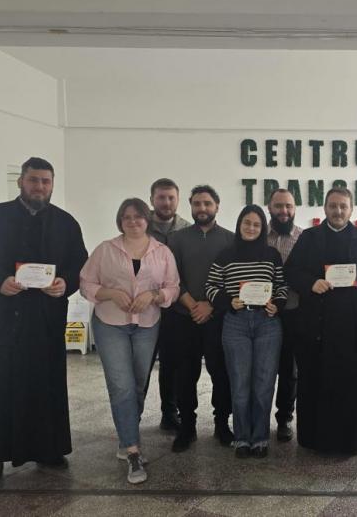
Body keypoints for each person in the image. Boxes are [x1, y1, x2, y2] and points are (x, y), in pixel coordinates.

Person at [0, 157, 88, 485]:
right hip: (3, 320)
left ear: (52, 184)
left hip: (46, 321)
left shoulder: (65, 223)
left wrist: (65, 283)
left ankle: (49, 449)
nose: (39, 187)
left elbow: (80, 263)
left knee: (47, 386)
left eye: (46, 181)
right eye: (33, 180)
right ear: (20, 182)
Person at [79, 198, 180, 484]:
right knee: (121, 385)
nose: (133, 221)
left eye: (138, 216)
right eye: (127, 217)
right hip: (110, 324)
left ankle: (126, 437)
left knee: (137, 384)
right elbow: (86, 283)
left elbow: (173, 287)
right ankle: (133, 451)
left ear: (148, 219)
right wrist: (110, 293)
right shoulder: (106, 250)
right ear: (120, 221)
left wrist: (154, 295)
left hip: (147, 324)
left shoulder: (162, 252)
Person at [285, 187, 357, 454]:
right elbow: (290, 271)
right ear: (325, 208)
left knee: (352, 385)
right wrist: (311, 282)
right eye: (333, 206)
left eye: (343, 206)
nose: (338, 211)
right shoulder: (309, 238)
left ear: (351, 209)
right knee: (316, 382)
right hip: (317, 327)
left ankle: (354, 438)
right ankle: (315, 438)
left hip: (354, 328)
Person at [205, 205, 288, 458]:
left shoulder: (272, 255)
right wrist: (228, 301)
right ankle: (242, 438)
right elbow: (210, 286)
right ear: (239, 224)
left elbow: (282, 286)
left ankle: (260, 438)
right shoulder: (225, 254)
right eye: (247, 223)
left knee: (263, 384)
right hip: (236, 323)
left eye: (256, 224)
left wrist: (277, 304)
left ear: (263, 228)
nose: (251, 228)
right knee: (240, 383)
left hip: (267, 323)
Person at [167, 185, 236, 451]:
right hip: (184, 316)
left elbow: (233, 281)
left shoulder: (230, 240)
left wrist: (211, 306)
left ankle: (222, 424)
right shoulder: (176, 239)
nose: (202, 208)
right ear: (191, 206)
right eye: (197, 203)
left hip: (219, 318)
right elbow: (172, 278)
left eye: (207, 203)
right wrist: (193, 305)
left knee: (221, 373)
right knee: (185, 374)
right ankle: (187, 427)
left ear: (217, 206)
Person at [146, 178, 191, 432]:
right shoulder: (140, 225)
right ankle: (133, 416)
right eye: (161, 197)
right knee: (141, 364)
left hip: (175, 308)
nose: (166, 202)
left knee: (171, 362)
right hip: (145, 306)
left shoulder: (187, 229)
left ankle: (169, 412)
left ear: (178, 199)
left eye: (171, 197)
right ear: (152, 199)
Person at [266, 188, 303, 442]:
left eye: (288, 206)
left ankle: (284, 418)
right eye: (279, 206)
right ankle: (257, 417)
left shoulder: (303, 238)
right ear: (269, 208)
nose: (284, 211)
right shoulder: (258, 236)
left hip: (292, 311)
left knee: (290, 370)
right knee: (261, 368)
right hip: (262, 312)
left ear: (295, 208)